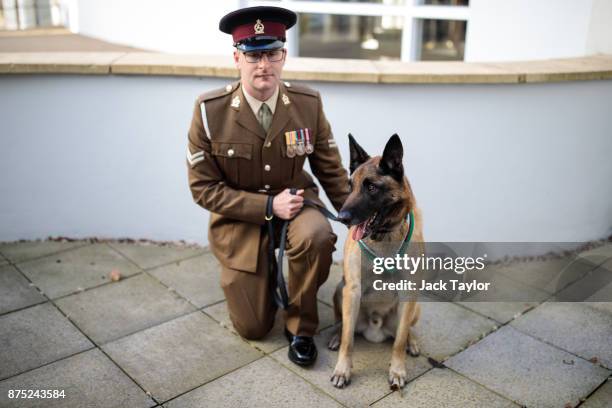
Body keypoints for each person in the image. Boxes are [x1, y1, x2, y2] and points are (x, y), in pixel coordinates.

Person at [186, 5, 349, 366]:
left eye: (272, 53)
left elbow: (331, 170)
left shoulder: (308, 104)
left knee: (317, 236)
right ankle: (263, 272)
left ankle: (301, 327)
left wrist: (356, 218)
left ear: (284, 56)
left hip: (296, 205)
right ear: (237, 58)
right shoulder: (208, 112)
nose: (264, 65)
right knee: (253, 327)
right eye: (253, 54)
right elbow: (203, 188)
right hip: (241, 222)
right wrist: (265, 207)